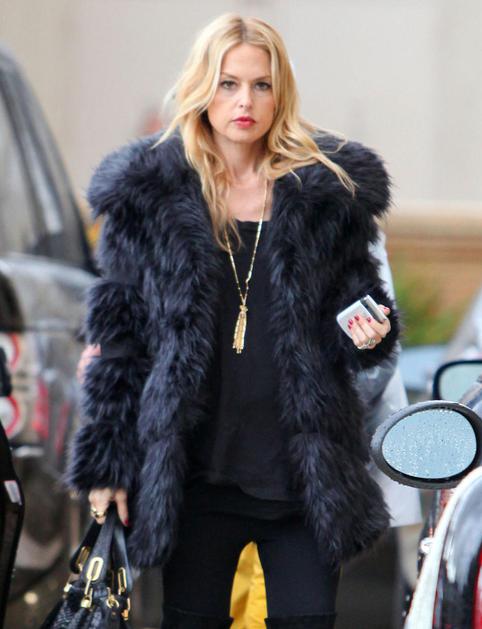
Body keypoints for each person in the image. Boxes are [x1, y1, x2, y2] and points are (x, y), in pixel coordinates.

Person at [64, 13, 401, 629]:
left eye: (261, 85)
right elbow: (119, 347)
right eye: (228, 83)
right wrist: (107, 467)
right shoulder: (150, 197)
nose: (245, 101)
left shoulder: (327, 196)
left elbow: (357, 311)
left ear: (280, 93)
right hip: (195, 477)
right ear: (202, 87)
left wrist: (369, 331)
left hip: (301, 478)